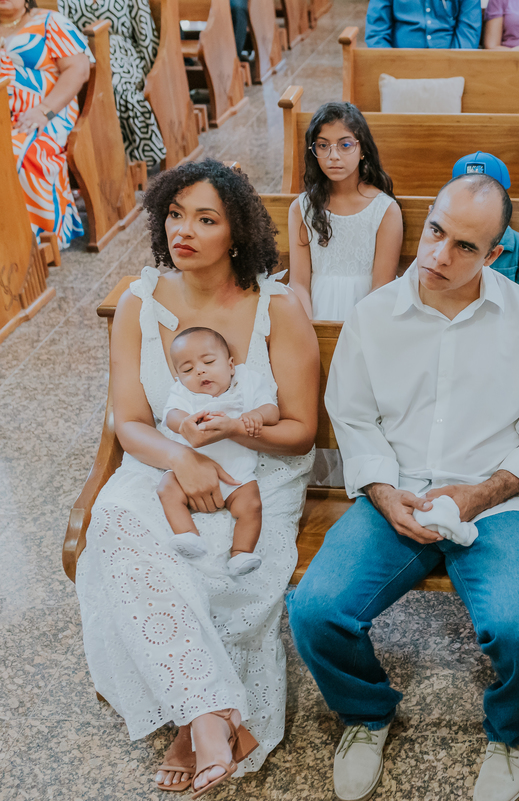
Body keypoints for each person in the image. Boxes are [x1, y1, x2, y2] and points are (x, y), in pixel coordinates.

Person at [287, 174, 519, 801]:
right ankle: (366, 714)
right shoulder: (374, 316)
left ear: (495, 254)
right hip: (399, 492)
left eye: (465, 247)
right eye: (435, 231)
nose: (439, 256)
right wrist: (385, 492)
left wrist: (478, 494)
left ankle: (513, 732)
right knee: (314, 612)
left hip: (496, 502)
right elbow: (355, 415)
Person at [73, 159, 318, 796]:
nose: (183, 230)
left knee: (216, 558)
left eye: (205, 219)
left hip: (258, 470)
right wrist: (183, 458)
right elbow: (129, 422)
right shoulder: (137, 302)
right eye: (175, 215)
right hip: (161, 457)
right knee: (117, 520)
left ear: (235, 232)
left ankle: (196, 719)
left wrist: (235, 434)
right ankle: (211, 717)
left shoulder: (278, 308)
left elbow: (300, 430)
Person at [159, 326, 280, 577]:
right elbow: (170, 414)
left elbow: (271, 409)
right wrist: (184, 422)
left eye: (209, 361)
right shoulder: (184, 394)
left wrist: (257, 415)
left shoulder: (247, 383)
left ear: (231, 365)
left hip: (237, 474)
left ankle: (241, 553)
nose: (200, 370)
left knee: (252, 505)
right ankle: (188, 535)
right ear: (179, 377)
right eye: (188, 369)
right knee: (166, 488)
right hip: (191, 472)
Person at [288, 102, 403, 322]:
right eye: (323, 146)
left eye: (345, 145)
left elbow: (381, 286)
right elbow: (299, 284)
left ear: (362, 150)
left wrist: (354, 332)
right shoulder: (302, 208)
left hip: (367, 317)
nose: (333, 156)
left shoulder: (385, 210)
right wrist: (309, 329)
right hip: (312, 314)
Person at [1, 0, 91, 247]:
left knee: (17, 153)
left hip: (47, 113)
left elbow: (79, 69)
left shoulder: (50, 22)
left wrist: (44, 110)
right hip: (2, 116)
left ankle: (39, 237)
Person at [59, 0, 167, 166]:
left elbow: (144, 33)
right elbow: (63, 31)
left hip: (123, 54)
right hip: (81, 55)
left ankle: (120, 156)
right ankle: (87, 155)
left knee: (112, 84)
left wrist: (151, 74)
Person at [452, 150, 519, 297]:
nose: (475, 202)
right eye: (466, 195)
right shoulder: (445, 242)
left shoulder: (517, 244)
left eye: (484, 195)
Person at [365, 0, 481, 48]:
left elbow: (468, 33)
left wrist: (452, 67)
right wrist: (392, 67)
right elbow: (376, 33)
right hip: (399, 70)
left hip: (452, 71)